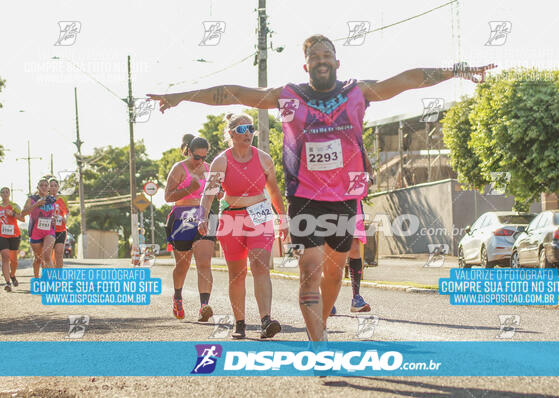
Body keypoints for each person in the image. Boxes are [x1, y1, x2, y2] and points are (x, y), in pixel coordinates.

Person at [147, 34, 495, 341]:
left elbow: (409, 79)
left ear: (337, 62)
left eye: (327, 55)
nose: (321, 61)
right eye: (314, 57)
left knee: (334, 274)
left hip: (344, 198)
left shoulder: (357, 92)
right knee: (308, 271)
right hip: (304, 199)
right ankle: (318, 344)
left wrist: (458, 70)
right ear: (306, 65)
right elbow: (233, 93)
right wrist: (181, 96)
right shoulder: (289, 96)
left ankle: (322, 322)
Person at [197, 113, 287, 339]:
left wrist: (283, 218)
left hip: (259, 213)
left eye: (250, 128)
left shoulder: (264, 159)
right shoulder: (221, 161)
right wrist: (202, 217)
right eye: (241, 129)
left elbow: (274, 191)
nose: (247, 133)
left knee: (260, 265)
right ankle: (240, 323)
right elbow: (208, 194)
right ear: (231, 134)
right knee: (237, 274)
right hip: (232, 218)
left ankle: (266, 320)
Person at [164, 136, 217, 322]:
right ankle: (177, 297)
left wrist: (220, 192)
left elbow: (216, 193)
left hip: (204, 216)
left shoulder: (210, 169)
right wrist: (189, 189)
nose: (200, 161)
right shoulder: (179, 168)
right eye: (197, 157)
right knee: (183, 265)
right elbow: (168, 196)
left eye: (204, 157)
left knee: (204, 262)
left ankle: (204, 305)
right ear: (188, 151)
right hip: (182, 217)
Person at [331, 156, 374, 315]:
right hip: (330, 197)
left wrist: (369, 180)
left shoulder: (357, 143)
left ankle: (356, 298)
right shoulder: (325, 138)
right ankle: (328, 300)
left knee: (355, 247)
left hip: (353, 198)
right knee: (333, 252)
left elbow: (369, 168)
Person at [22, 177, 57, 278]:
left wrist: (54, 219)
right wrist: (36, 204)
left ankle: (51, 283)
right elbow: (23, 213)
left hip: (49, 231)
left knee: (46, 256)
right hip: (35, 232)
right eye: (41, 185)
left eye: (46, 185)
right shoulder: (31, 199)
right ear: (37, 187)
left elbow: (53, 214)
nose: (44, 187)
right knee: (38, 259)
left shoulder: (52, 200)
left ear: (49, 188)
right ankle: (37, 278)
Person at [0, 187, 24, 291]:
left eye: (7, 192)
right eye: (3, 192)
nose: (5, 194)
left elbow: (23, 218)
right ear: (0, 194)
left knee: (14, 261)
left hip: (14, 235)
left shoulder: (14, 206)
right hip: (2, 235)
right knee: (5, 257)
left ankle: (12, 275)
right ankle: (8, 283)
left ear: (9, 194)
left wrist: (13, 214)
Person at [48, 177, 69, 268]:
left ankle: (59, 277)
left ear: (58, 187)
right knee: (48, 255)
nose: (53, 188)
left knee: (59, 253)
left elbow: (66, 212)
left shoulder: (62, 199)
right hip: (48, 231)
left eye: (55, 186)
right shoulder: (45, 199)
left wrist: (64, 218)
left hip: (61, 230)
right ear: (48, 187)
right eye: (51, 186)